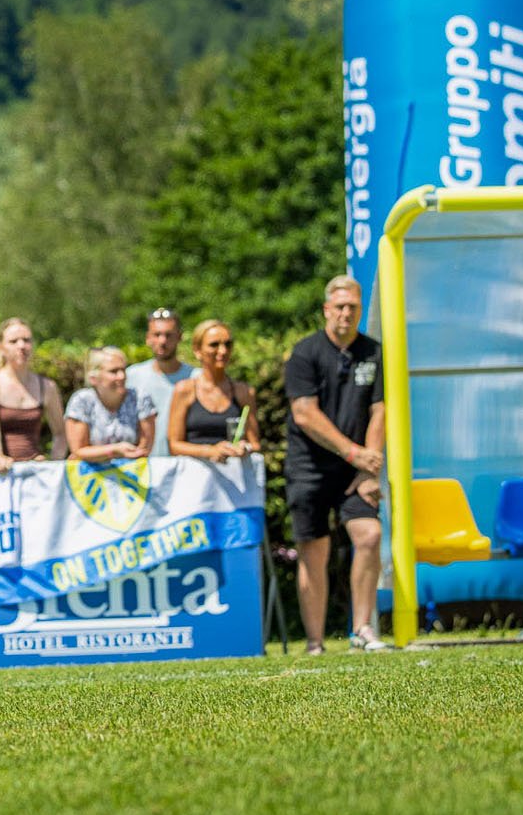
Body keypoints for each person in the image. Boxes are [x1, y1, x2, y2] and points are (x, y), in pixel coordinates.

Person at [284, 276, 390, 654]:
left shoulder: (374, 352)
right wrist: (352, 452)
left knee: (370, 536)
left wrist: (368, 467)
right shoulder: (305, 353)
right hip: (310, 467)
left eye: (353, 307)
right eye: (340, 306)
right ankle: (315, 641)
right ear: (326, 310)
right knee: (315, 551)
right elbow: (305, 415)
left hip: (354, 471)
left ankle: (363, 629)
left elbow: (380, 411)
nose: (346, 313)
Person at [0, 317, 66, 471]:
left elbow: (61, 433)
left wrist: (53, 464)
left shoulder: (47, 386)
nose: (21, 346)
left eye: (26, 340)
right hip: (1, 473)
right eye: (13, 341)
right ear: (1, 347)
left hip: (34, 472)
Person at [166, 320, 260, 461]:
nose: (223, 351)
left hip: (233, 476)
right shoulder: (184, 390)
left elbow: (255, 444)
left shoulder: (243, 392)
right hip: (195, 475)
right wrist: (209, 451)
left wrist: (244, 448)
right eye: (214, 345)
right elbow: (174, 445)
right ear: (198, 351)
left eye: (228, 344)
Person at [64, 347, 156, 462]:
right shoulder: (81, 401)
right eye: (114, 371)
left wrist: (98, 454)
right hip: (90, 476)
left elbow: (144, 448)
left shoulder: (140, 398)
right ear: (94, 378)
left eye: (123, 370)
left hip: (132, 474)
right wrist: (114, 450)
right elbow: (78, 450)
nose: (122, 376)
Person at [125, 308, 193, 423]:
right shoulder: (131, 375)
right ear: (148, 338)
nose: (162, 341)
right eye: (157, 335)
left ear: (179, 337)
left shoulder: (196, 377)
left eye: (169, 335)